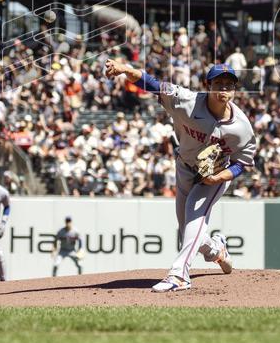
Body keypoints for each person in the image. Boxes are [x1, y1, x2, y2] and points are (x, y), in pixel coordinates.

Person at [104, 59, 256, 293]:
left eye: (229, 84)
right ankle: (216, 249)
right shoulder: (186, 100)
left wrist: (220, 178)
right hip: (185, 166)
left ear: (235, 89)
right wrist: (126, 70)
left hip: (213, 174)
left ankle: (179, 274)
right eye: (219, 83)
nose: (223, 88)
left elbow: (243, 162)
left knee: (195, 220)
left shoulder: (242, 127)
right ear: (208, 85)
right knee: (188, 230)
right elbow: (152, 83)